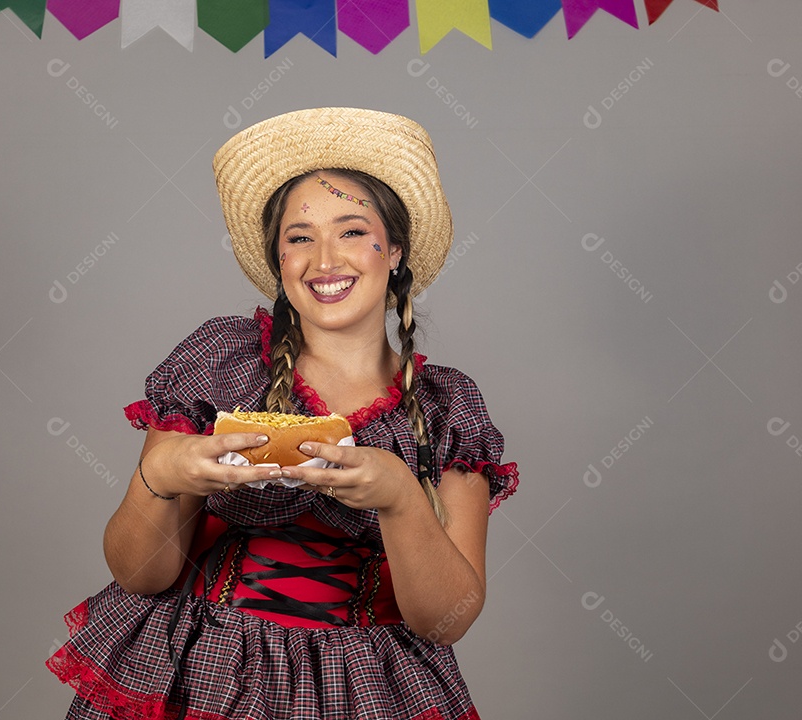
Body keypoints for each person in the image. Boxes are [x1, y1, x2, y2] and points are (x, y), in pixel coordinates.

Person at [46, 107, 519, 720]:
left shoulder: (446, 410)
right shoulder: (223, 362)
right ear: (278, 258)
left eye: (352, 231)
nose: (325, 259)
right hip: (203, 674)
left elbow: (446, 619)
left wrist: (400, 496)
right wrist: (164, 476)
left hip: (365, 691)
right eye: (300, 237)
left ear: (395, 249)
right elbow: (141, 574)